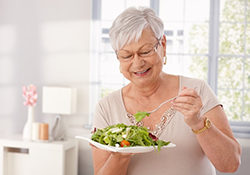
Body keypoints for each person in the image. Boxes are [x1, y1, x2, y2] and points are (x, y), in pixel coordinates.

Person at [91, 6, 241, 175]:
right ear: (117, 57)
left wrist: (198, 122)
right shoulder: (106, 107)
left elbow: (231, 165)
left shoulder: (196, 91)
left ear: (162, 44)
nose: (138, 63)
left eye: (145, 51)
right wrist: (121, 152)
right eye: (127, 55)